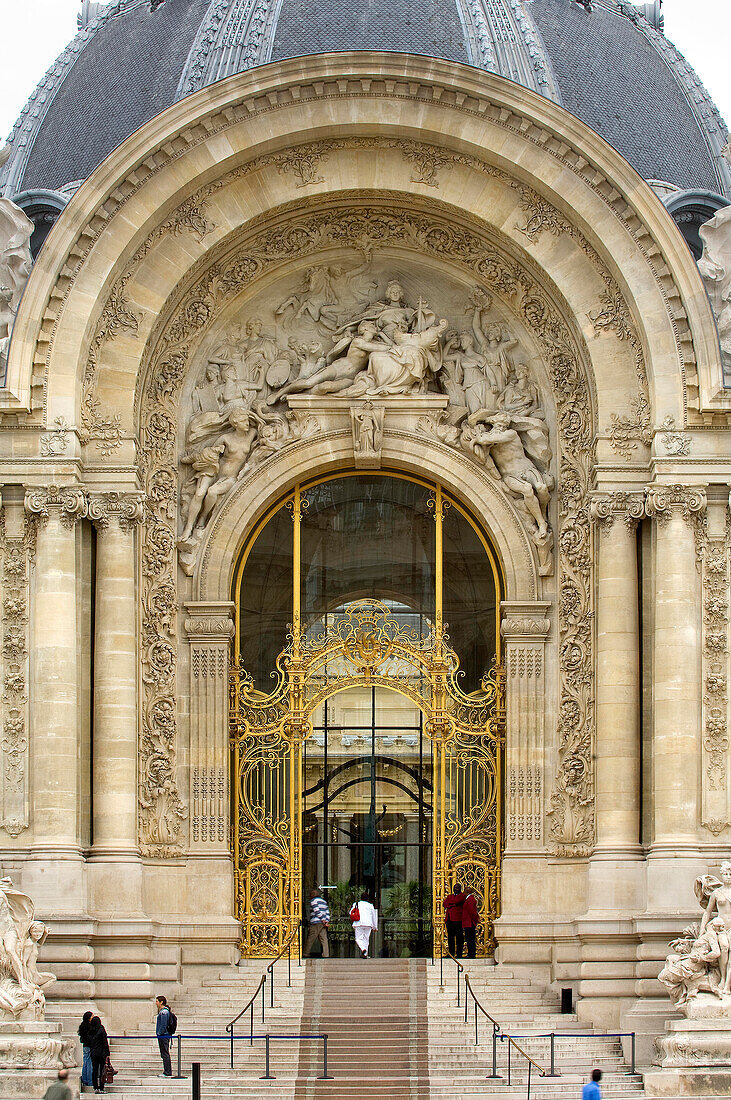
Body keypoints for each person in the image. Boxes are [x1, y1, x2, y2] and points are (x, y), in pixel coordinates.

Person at [303, 889, 330, 959]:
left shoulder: (314, 901)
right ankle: (326, 954)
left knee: (311, 938)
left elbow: (316, 910)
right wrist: (326, 921)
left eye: (311, 894)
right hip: (323, 923)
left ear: (313, 894)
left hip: (316, 922)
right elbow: (327, 912)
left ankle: (306, 953)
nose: (309, 896)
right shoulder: (324, 902)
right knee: (324, 939)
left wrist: (323, 919)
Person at [351, 891, 378, 958]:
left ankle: (363, 949)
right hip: (368, 924)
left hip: (358, 923)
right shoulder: (370, 905)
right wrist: (375, 927)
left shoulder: (356, 904)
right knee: (366, 939)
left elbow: (351, 912)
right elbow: (373, 916)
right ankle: (365, 954)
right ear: (367, 898)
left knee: (358, 938)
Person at [443, 882, 466, 958]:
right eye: (454, 888)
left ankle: (459, 954)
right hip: (449, 919)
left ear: (460, 889)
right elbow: (445, 904)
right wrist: (453, 904)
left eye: (457, 888)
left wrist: (451, 903)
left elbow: (457, 901)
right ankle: (451, 953)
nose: (455, 889)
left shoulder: (462, 896)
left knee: (459, 938)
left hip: (458, 920)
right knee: (450, 937)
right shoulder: (450, 896)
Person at [88, 1014, 110, 1094]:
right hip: (101, 1053)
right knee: (102, 1071)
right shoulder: (101, 1029)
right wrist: (107, 1053)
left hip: (93, 1053)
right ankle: (101, 1087)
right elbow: (105, 1042)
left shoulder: (91, 1030)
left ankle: (95, 1087)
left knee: (95, 1070)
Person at [156, 994, 173, 1077]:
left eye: (157, 1001)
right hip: (165, 1035)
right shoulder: (165, 1012)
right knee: (164, 1053)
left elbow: (163, 1025)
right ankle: (167, 1071)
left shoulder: (163, 1012)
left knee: (165, 1053)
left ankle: (167, 1071)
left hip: (164, 1035)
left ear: (161, 1002)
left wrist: (159, 1033)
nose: (156, 1003)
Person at [462, 890, 481, 959]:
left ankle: (471, 954)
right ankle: (470, 953)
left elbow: (472, 911)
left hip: (469, 922)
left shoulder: (470, 900)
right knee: (469, 938)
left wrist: (476, 919)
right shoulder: (468, 899)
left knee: (470, 939)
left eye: (464, 892)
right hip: (467, 922)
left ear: (467, 892)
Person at [78, 1009, 93, 1088]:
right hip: (89, 1046)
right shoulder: (89, 1027)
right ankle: (90, 1081)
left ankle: (85, 1080)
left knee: (85, 1063)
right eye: (92, 1016)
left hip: (85, 1046)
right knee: (89, 1064)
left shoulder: (82, 1026)